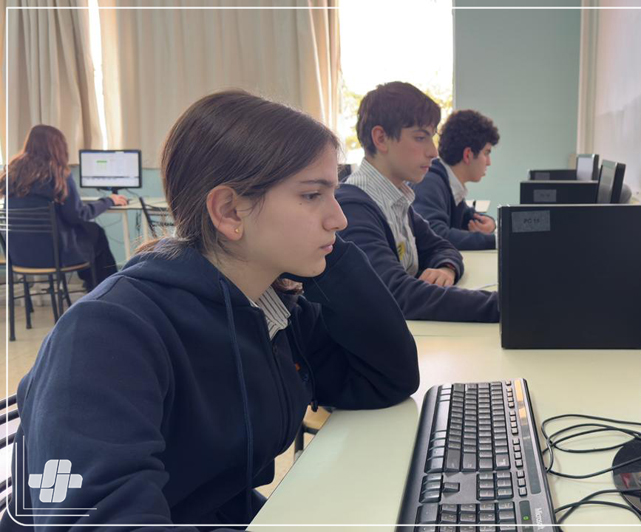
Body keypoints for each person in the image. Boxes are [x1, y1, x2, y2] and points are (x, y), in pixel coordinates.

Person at [1, 90, 419, 529]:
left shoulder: (271, 308)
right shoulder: (106, 335)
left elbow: (386, 380)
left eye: (333, 192)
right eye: (313, 195)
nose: (340, 219)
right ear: (229, 211)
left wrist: (327, 259)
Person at [336, 82, 499, 322]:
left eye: (431, 138)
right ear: (381, 138)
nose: (433, 152)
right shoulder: (352, 209)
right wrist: (505, 305)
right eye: (420, 137)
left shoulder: (396, 198)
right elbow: (396, 295)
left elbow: (442, 246)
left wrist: (446, 267)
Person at [1, 124, 128, 289]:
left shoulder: (11, 174)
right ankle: (106, 289)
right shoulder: (58, 174)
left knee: (89, 232)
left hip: (19, 256)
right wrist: (108, 201)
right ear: (57, 148)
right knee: (95, 232)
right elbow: (77, 216)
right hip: (53, 256)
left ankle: (95, 286)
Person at [412, 110, 499, 250]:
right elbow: (436, 235)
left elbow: (468, 217)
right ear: (468, 154)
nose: (489, 162)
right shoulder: (429, 183)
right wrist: (497, 241)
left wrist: (490, 222)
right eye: (486, 153)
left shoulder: (448, 182)